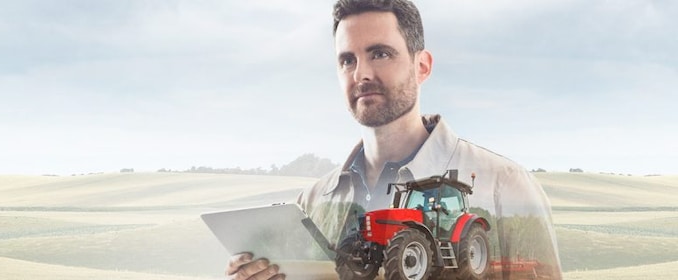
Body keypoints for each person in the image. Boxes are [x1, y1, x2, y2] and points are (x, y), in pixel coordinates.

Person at [225, 0, 562, 279]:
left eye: (380, 54)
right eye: (347, 60)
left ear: (422, 66)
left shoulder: (506, 186)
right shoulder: (312, 203)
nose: (361, 74)